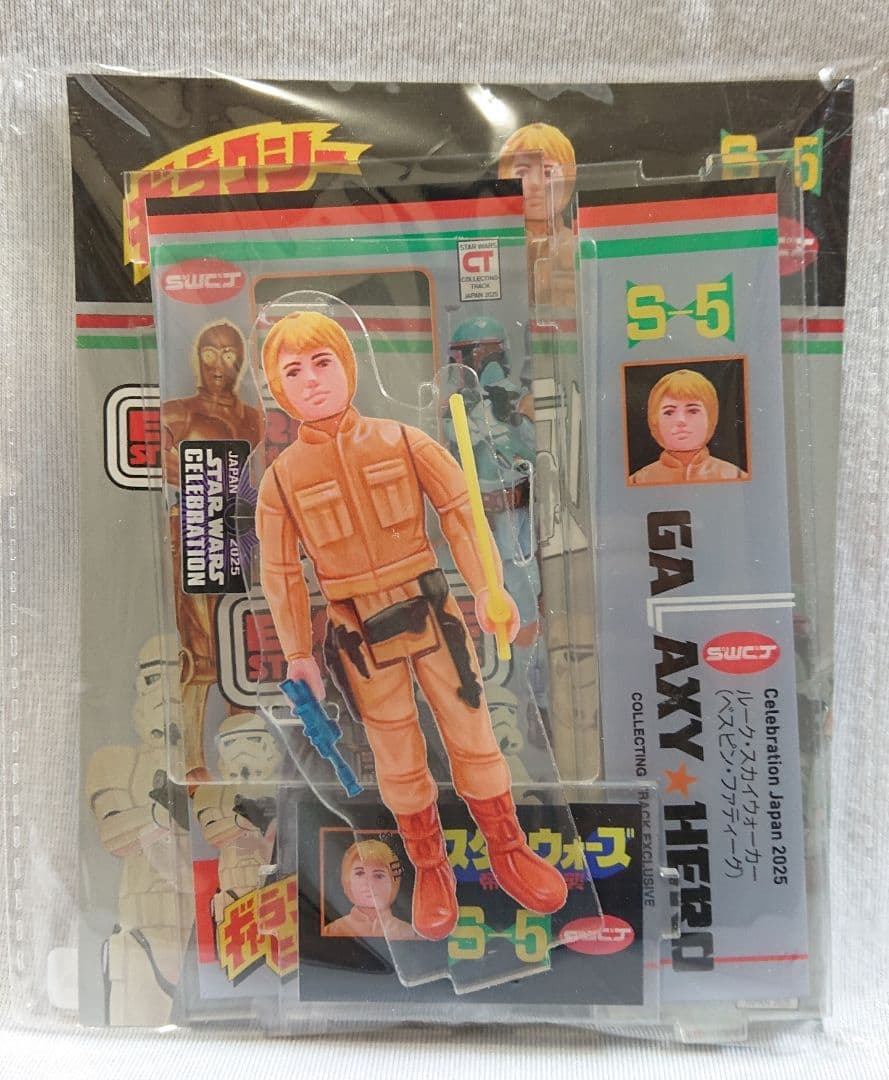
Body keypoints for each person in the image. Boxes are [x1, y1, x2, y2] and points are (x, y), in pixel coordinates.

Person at [256, 311, 567, 941]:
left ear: (349, 366)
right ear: (277, 388)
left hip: (430, 607)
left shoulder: (402, 440)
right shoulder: (281, 480)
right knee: (396, 755)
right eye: (293, 371)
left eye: (322, 363)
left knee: (473, 731)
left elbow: (460, 513)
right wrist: (298, 654)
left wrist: (489, 589)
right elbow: (281, 574)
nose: (311, 380)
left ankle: (508, 848)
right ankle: (428, 867)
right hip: (356, 629)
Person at [161, 320, 264, 779]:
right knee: (199, 649)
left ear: (241, 360)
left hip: (243, 535)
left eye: (228, 353)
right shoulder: (178, 413)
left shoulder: (255, 418)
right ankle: (191, 761)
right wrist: (201, 478)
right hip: (196, 535)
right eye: (209, 352)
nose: (218, 363)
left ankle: (245, 759)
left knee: (242, 642)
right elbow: (162, 461)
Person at [498, 122, 577, 309]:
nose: (535, 183)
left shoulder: (576, 246)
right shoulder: (496, 247)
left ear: (568, 176)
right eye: (522, 172)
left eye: (548, 172)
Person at [629, 368, 749, 486]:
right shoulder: (637, 481)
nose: (681, 420)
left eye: (693, 411)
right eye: (669, 412)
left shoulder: (736, 476)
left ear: (711, 417)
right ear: (654, 420)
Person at [323, 839, 418, 940]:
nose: (369, 883)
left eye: (378, 876)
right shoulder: (333, 930)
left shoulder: (408, 932)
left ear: (393, 882)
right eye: (360, 873)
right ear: (347, 880)